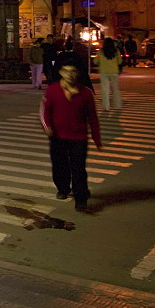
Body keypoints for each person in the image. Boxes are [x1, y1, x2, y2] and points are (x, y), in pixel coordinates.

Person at [40, 62, 103, 212]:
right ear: (61, 72)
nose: (70, 74)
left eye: (73, 71)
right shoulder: (52, 90)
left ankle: (81, 198)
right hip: (57, 137)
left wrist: (97, 138)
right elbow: (45, 111)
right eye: (66, 71)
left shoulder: (86, 93)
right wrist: (47, 126)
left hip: (78, 137)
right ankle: (62, 188)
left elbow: (92, 117)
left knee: (79, 169)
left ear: (78, 73)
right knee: (60, 166)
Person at [96, 37, 123, 111]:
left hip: (104, 72)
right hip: (114, 71)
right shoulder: (116, 51)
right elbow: (119, 62)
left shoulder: (100, 52)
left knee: (105, 90)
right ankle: (117, 105)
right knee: (115, 89)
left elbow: (96, 61)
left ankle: (106, 106)